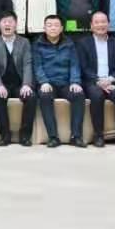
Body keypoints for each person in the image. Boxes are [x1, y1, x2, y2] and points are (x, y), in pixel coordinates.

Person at [76, 12, 115, 147]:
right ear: (91, 25)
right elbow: (84, 67)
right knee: (97, 95)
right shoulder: (83, 43)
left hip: (112, 81)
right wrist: (98, 81)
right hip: (93, 81)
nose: (100, 25)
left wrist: (110, 80)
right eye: (97, 22)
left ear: (108, 24)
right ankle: (98, 134)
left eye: (103, 22)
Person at [33, 15, 86, 148]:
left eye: (56, 25)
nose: (53, 28)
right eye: (49, 25)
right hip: (48, 83)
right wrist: (43, 82)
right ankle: (53, 137)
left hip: (66, 83)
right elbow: (37, 66)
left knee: (78, 95)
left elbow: (74, 64)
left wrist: (75, 82)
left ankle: (76, 136)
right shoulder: (37, 44)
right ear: (44, 28)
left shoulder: (69, 44)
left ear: (62, 28)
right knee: (44, 96)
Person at [0, 12, 36, 146]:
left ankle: (25, 136)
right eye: (4, 21)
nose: (7, 24)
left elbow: (27, 64)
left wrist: (26, 84)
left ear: (16, 25)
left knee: (31, 97)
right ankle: (5, 135)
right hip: (3, 84)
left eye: (10, 21)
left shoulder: (24, 42)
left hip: (20, 83)